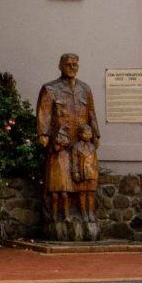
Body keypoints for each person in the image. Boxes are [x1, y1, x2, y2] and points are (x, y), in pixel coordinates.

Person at [35, 54, 101, 239]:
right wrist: (43, 134)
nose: (72, 67)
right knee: (62, 184)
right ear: (60, 66)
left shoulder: (85, 89)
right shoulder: (51, 88)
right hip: (61, 143)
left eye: (75, 64)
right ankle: (60, 218)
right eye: (68, 64)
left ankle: (83, 216)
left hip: (82, 143)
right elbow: (44, 113)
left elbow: (92, 113)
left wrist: (96, 135)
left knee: (83, 182)